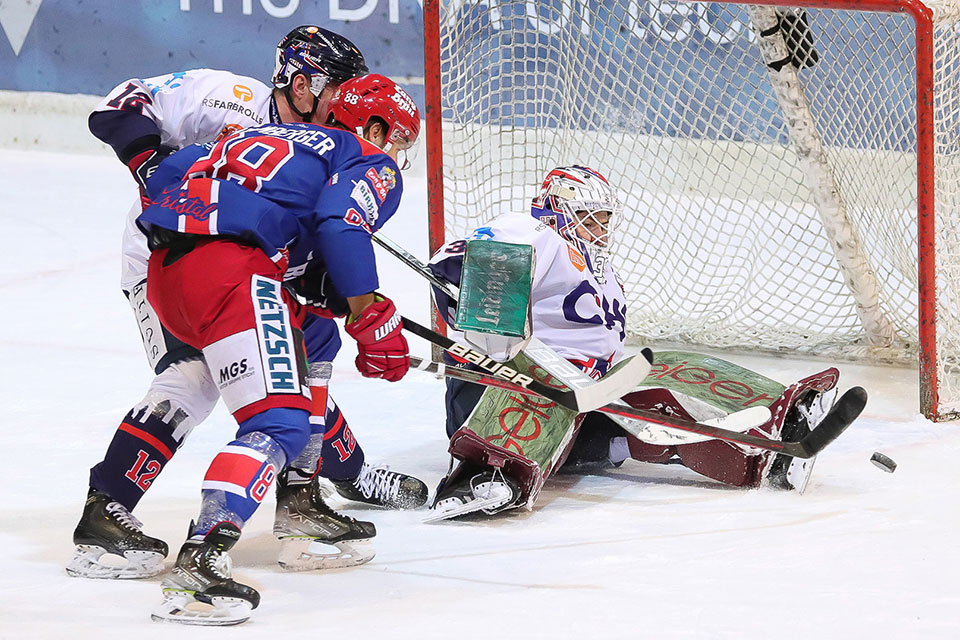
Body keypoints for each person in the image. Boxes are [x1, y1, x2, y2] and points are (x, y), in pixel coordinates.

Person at [68, 26, 426, 583]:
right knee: (197, 378)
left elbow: (313, 256)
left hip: (235, 259)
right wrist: (154, 171)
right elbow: (120, 105)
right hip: (174, 253)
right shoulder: (231, 98)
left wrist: (341, 295)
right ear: (302, 82)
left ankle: (312, 490)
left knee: (313, 341)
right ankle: (112, 509)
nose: (342, 100)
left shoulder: (321, 145)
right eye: (337, 87)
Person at [130, 73, 419, 624]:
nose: (396, 158)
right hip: (233, 274)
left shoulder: (259, 134)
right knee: (279, 425)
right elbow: (340, 225)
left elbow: (167, 174)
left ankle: (300, 503)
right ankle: (202, 560)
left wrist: (320, 289)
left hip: (167, 274)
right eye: (398, 142)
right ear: (375, 126)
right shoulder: (364, 155)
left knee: (315, 335)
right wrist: (369, 313)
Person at [426, 166, 842, 520]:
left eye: (605, 219)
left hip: (587, 394)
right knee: (544, 390)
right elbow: (464, 259)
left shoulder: (604, 273)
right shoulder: (538, 234)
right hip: (508, 383)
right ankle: (487, 475)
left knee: (669, 373)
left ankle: (778, 432)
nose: (600, 230)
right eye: (589, 218)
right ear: (556, 212)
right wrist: (483, 311)